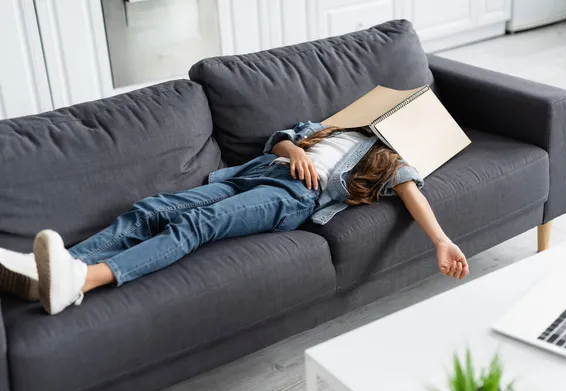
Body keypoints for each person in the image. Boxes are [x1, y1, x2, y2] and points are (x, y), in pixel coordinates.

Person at [0, 122, 469, 315]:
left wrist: (442, 242)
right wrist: (293, 152)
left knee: (196, 225)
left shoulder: (391, 161)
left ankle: (83, 280)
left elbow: (413, 197)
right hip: (259, 172)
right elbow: (279, 139)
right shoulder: (340, 123)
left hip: (293, 197)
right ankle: (56, 267)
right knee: (150, 210)